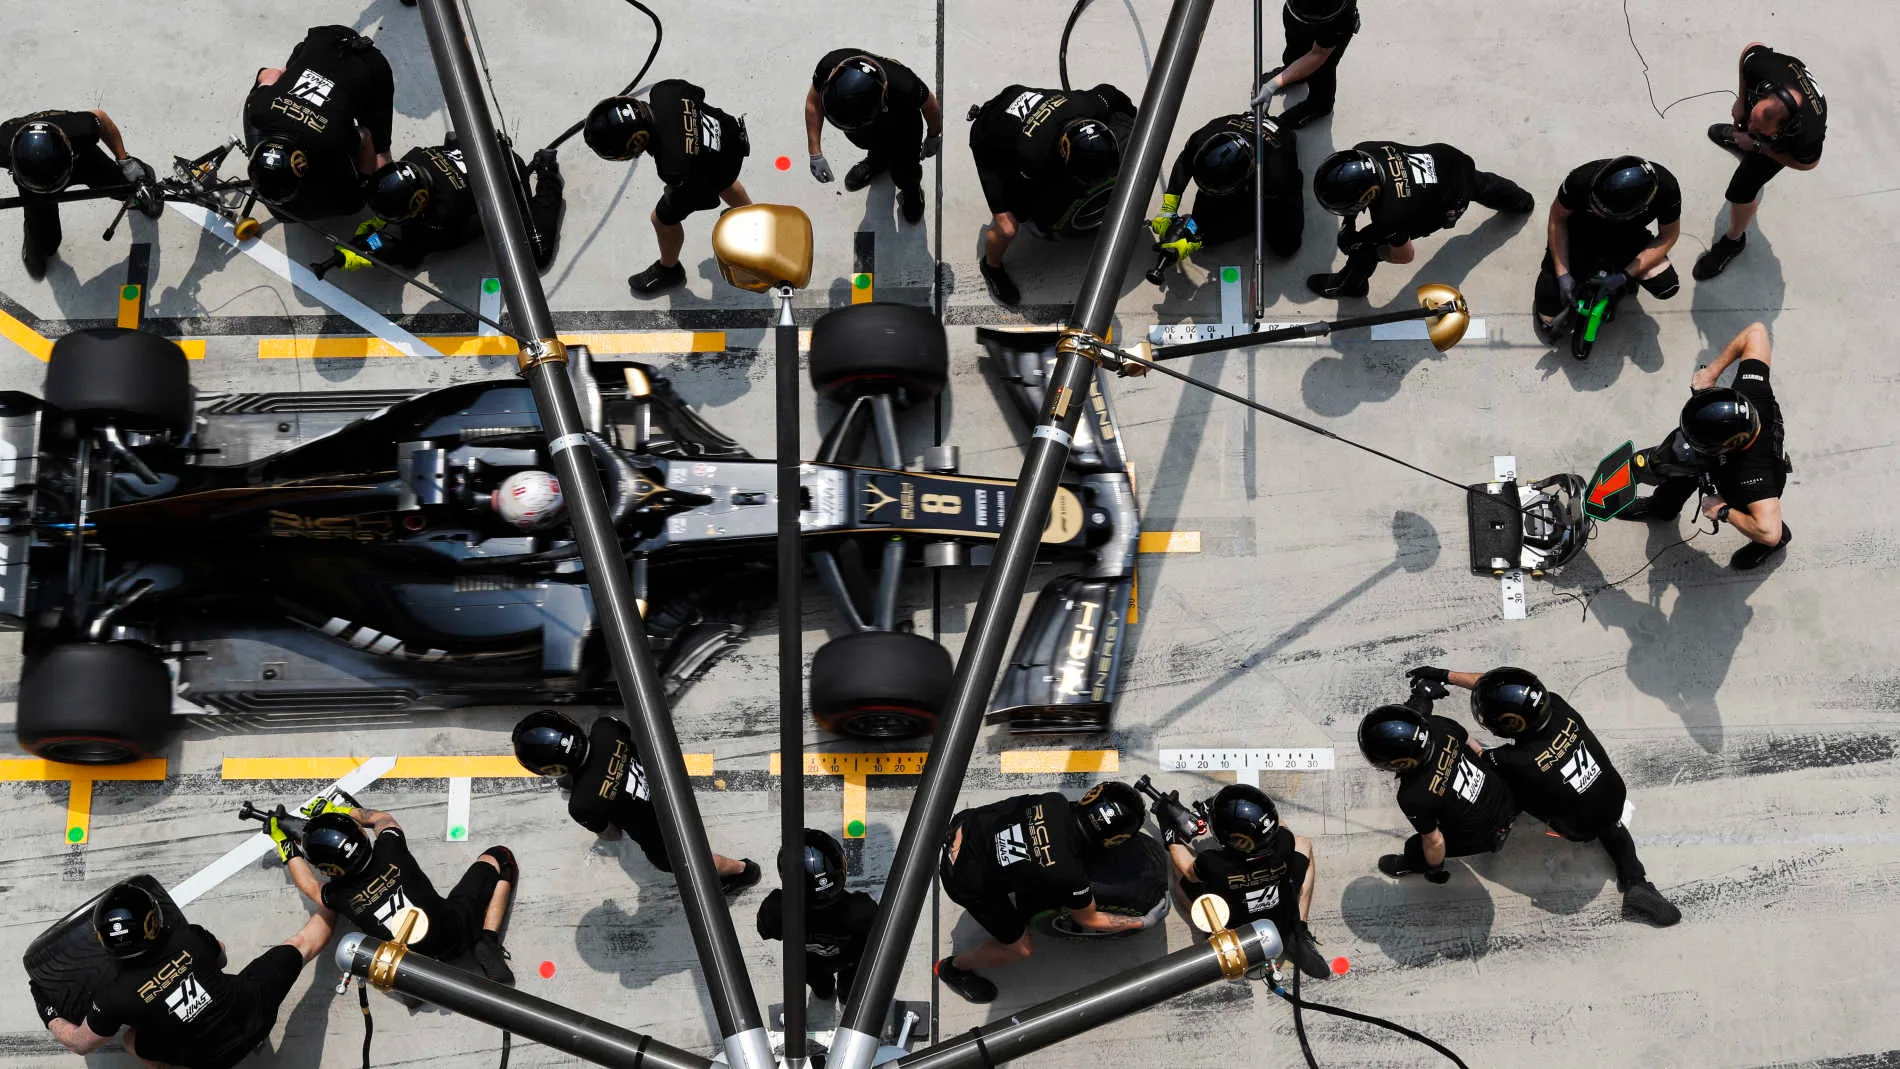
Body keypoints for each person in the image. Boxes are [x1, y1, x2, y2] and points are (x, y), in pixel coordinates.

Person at [1407, 666, 1682, 926]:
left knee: (1499, 783)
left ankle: (1505, 819)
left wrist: (1437, 727)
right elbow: (1503, 688)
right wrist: (1446, 675)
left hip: (1573, 828)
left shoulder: (1515, 760)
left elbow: (1473, 751)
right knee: (1605, 820)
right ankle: (1636, 881)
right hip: (1612, 797)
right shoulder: (1558, 704)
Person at [45, 881, 334, 1069]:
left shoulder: (112, 998)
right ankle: (334, 898)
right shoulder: (190, 937)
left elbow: (80, 1043)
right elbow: (220, 959)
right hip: (254, 1013)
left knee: (132, 1039)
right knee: (301, 944)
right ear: (153, 922)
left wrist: (49, 1013)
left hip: (208, 1059)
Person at [934, 782, 1162, 1003]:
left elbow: (1016, 816)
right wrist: (1141, 921)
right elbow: (1089, 919)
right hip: (965, 882)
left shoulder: (1053, 801)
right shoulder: (1069, 873)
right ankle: (953, 968)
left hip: (964, 829)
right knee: (1021, 949)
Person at [512, 710, 761, 891]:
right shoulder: (605, 726)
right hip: (668, 789)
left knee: (680, 862)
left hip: (659, 830)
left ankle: (744, 871)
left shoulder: (582, 805)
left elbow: (613, 835)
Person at [1621, 321, 1790, 570]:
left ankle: (1775, 547)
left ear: (1724, 446)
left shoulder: (1755, 478)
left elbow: (1769, 531)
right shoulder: (1751, 390)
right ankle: (1662, 509)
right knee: (1685, 464)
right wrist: (1712, 372)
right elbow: (1756, 332)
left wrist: (1723, 511)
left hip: (1741, 482)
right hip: (1721, 456)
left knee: (1765, 526)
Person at [287, 805, 517, 983]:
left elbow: (310, 886)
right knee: (499, 855)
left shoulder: (338, 896)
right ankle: (487, 942)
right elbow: (382, 819)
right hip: (454, 931)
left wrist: (286, 847)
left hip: (411, 965)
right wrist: (344, 812)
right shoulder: (390, 848)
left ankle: (410, 989)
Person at [968, 82, 1137, 306]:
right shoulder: (1031, 157)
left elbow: (1114, 95)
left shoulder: (1091, 103)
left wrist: (1133, 119)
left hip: (1036, 107)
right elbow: (1024, 206)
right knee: (1007, 227)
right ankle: (991, 267)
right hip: (989, 139)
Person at [583, 80, 752, 297]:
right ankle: (753, 216)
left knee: (661, 219)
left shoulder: (672, 166)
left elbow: (704, 196)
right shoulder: (665, 90)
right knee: (723, 178)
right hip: (730, 137)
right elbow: (698, 94)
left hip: (709, 167)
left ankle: (669, 269)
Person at [1307, 140, 1533, 298]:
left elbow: (1406, 255)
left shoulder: (1389, 215)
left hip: (1451, 200)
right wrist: (1350, 222)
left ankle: (1351, 286)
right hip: (1450, 160)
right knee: (1480, 183)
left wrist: (1365, 246)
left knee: (1365, 247)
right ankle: (1522, 201)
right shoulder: (1365, 150)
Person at [1359, 678, 1518, 882]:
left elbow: (1435, 842)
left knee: (1417, 847)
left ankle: (1413, 865)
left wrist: (1435, 867)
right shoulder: (1439, 725)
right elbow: (1474, 747)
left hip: (1484, 835)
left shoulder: (1412, 795)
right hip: (1506, 799)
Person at [1164, 783, 1330, 978]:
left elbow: (1187, 868)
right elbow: (1278, 824)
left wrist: (1169, 833)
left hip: (1239, 936)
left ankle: (1213, 937)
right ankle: (1298, 933)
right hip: (1282, 923)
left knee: (1183, 876)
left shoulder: (1212, 863)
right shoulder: (1285, 842)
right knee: (1304, 843)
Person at [1695, 43, 1827, 280]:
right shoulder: (1763, 67)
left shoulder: (1805, 135)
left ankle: (1734, 241)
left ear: (1785, 130)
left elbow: (1808, 164)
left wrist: (1758, 145)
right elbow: (1750, 49)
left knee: (1740, 192)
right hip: (1766, 122)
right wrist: (1741, 102)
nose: (1752, 127)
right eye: (1753, 120)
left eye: (1760, 129)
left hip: (1775, 148)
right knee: (1747, 127)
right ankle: (1744, 137)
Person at [243, 25, 395, 221]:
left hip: (369, 66)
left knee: (380, 158)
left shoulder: (334, 139)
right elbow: (271, 73)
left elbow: (365, 136)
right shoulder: (260, 108)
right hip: (323, 40)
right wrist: (287, 81)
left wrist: (364, 183)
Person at [344, 137, 564, 272]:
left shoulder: (445, 210)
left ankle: (547, 171)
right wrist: (375, 234)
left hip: (506, 171)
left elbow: (413, 252)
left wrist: (375, 249)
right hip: (476, 146)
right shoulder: (413, 158)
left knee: (537, 254)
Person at [1532, 155, 1682, 345]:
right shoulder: (1581, 178)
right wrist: (1563, 275)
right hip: (1581, 231)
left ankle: (1618, 281)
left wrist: (1625, 276)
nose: (1597, 210)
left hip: (1627, 235)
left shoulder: (1666, 188)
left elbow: (1668, 236)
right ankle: (1583, 276)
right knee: (1548, 313)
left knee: (1666, 285)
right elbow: (1557, 218)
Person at [1, 108, 157, 279]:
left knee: (125, 186)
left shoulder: (81, 130)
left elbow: (101, 118)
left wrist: (124, 161)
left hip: (82, 160)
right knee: (47, 241)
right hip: (31, 182)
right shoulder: (2, 146)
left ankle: (139, 176)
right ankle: (34, 244)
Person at [1150, 113, 1303, 271]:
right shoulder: (1201, 139)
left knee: (1286, 246)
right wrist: (1168, 207)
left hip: (1281, 170)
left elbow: (1254, 215)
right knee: (1202, 223)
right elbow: (1185, 162)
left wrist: (1202, 238)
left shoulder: (1272, 174)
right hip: (1244, 138)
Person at [806, 50, 943, 224]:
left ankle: (910, 188)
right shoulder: (828, 66)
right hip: (863, 124)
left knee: (905, 167)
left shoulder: (905, 85)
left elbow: (930, 104)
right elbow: (813, 101)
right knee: (872, 145)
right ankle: (877, 161)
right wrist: (815, 152)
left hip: (903, 123)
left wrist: (933, 135)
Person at [756, 829, 879, 1002]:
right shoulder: (862, 909)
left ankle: (826, 993)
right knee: (851, 992)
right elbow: (879, 939)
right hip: (851, 960)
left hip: (810, 965)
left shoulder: (776, 910)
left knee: (822, 991)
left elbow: (765, 930)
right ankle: (846, 998)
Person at [1251, 0, 1360, 130]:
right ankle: (1295, 74)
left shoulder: (1341, 19)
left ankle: (1319, 106)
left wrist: (1272, 85)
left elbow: (1317, 55)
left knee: (1322, 70)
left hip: (1331, 25)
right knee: (1294, 52)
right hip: (1295, 13)